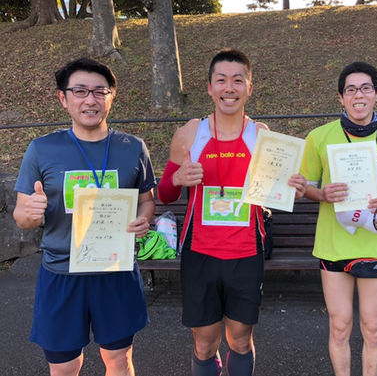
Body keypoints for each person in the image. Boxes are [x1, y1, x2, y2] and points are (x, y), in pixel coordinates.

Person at [156, 48, 306, 376]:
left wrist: (291, 187)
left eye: (238, 81)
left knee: (240, 339)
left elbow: (277, 191)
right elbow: (164, 195)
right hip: (200, 253)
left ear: (249, 88)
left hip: (246, 252)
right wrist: (177, 179)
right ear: (209, 88)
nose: (229, 88)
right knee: (204, 344)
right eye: (221, 80)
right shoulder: (190, 133)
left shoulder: (261, 136)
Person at [12, 58, 156, 375]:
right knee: (65, 366)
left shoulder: (133, 147)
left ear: (111, 97)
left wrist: (143, 219)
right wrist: (30, 212)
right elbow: (22, 215)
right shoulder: (42, 149)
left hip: (116, 271)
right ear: (63, 98)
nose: (90, 99)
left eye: (99, 91)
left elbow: (147, 201)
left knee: (119, 360)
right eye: (80, 91)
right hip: (62, 273)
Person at [300, 61, 377, 376]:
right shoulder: (319, 137)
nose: (358, 95)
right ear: (341, 97)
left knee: (372, 327)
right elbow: (306, 188)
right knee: (340, 326)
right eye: (351, 89)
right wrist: (322, 194)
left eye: (366, 88)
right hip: (334, 245)